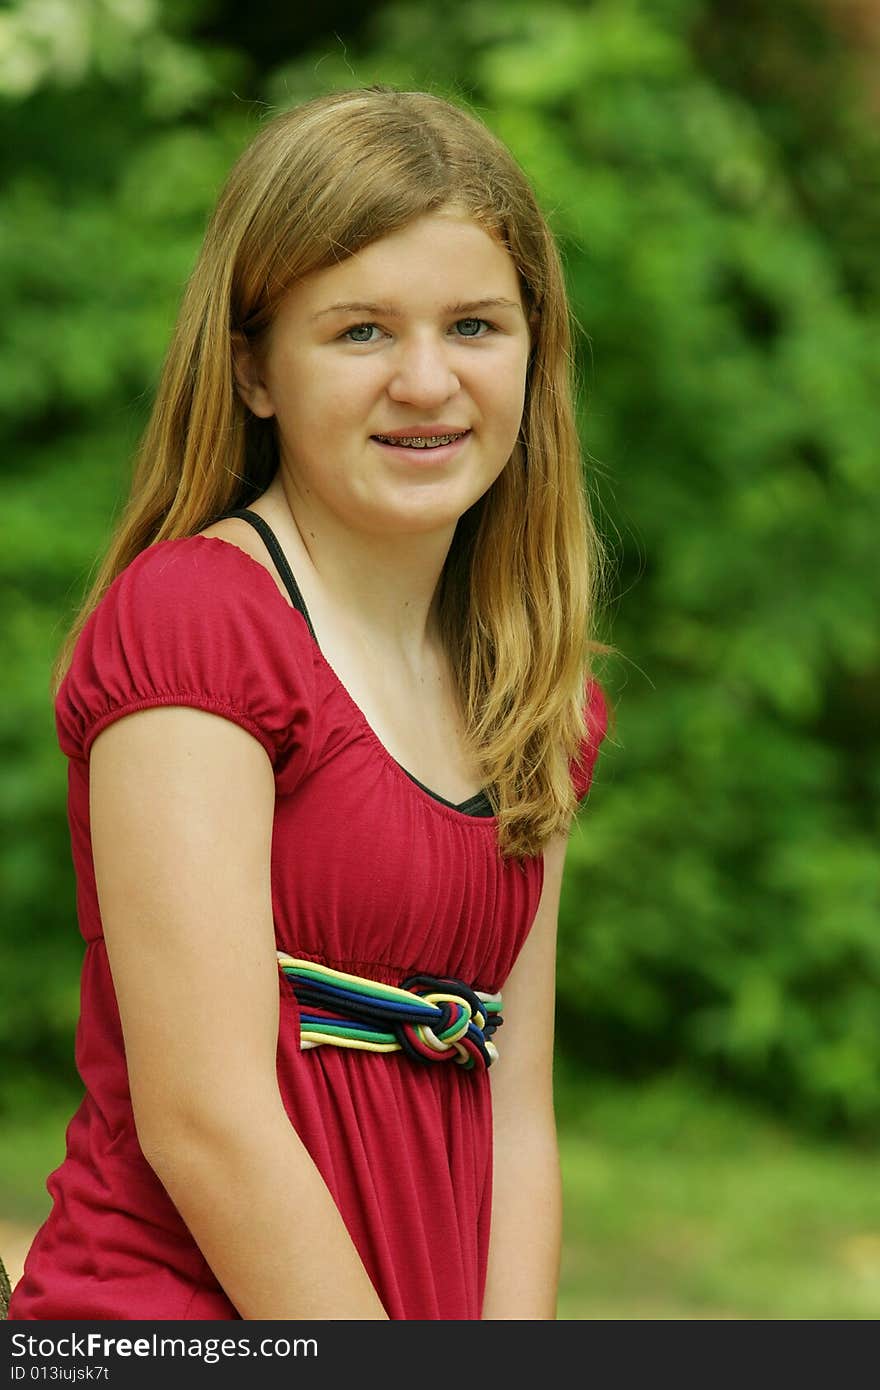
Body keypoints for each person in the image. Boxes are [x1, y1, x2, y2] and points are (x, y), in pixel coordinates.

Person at [8, 84, 611, 1322]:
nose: (429, 381)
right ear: (254, 369)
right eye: (361, 333)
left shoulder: (531, 680)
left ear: (534, 349)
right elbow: (205, 1118)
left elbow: (518, 1111)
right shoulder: (197, 624)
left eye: (476, 326)